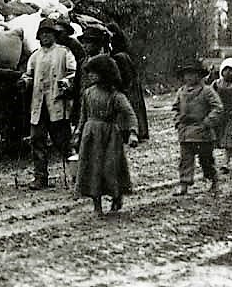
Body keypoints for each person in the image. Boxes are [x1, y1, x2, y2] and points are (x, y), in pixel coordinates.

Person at [73, 55, 139, 216]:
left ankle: (116, 196)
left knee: (110, 168)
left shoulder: (116, 95)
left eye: (94, 72)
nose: (90, 76)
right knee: (92, 169)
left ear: (105, 73)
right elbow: (83, 116)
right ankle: (97, 205)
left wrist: (133, 133)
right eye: (89, 73)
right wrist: (77, 133)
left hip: (109, 136)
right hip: (90, 136)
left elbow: (130, 114)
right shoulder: (87, 93)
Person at [18, 18, 77, 190]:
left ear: (54, 35)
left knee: (63, 142)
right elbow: (29, 75)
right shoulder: (35, 56)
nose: (45, 37)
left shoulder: (64, 53)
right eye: (42, 34)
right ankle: (40, 177)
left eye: (48, 33)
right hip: (39, 104)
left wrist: (66, 83)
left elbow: (73, 73)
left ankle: (76, 175)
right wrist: (24, 82)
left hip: (57, 102)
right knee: (37, 140)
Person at [171, 58, 223, 196]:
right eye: (186, 74)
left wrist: (207, 122)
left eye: (192, 74)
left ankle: (213, 180)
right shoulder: (181, 92)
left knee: (206, 160)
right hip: (185, 132)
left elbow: (218, 108)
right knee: (185, 160)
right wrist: (177, 120)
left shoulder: (207, 91)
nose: (189, 77)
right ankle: (184, 185)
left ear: (199, 76)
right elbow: (175, 108)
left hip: (203, 132)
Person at [107, 22, 149, 141]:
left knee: (129, 108)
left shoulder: (120, 55)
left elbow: (126, 76)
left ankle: (132, 131)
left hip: (127, 86)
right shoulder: (123, 52)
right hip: (130, 85)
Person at [53, 16, 87, 129]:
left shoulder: (73, 45)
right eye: (56, 32)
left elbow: (81, 62)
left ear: (66, 32)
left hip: (75, 76)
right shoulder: (55, 46)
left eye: (60, 32)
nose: (58, 36)